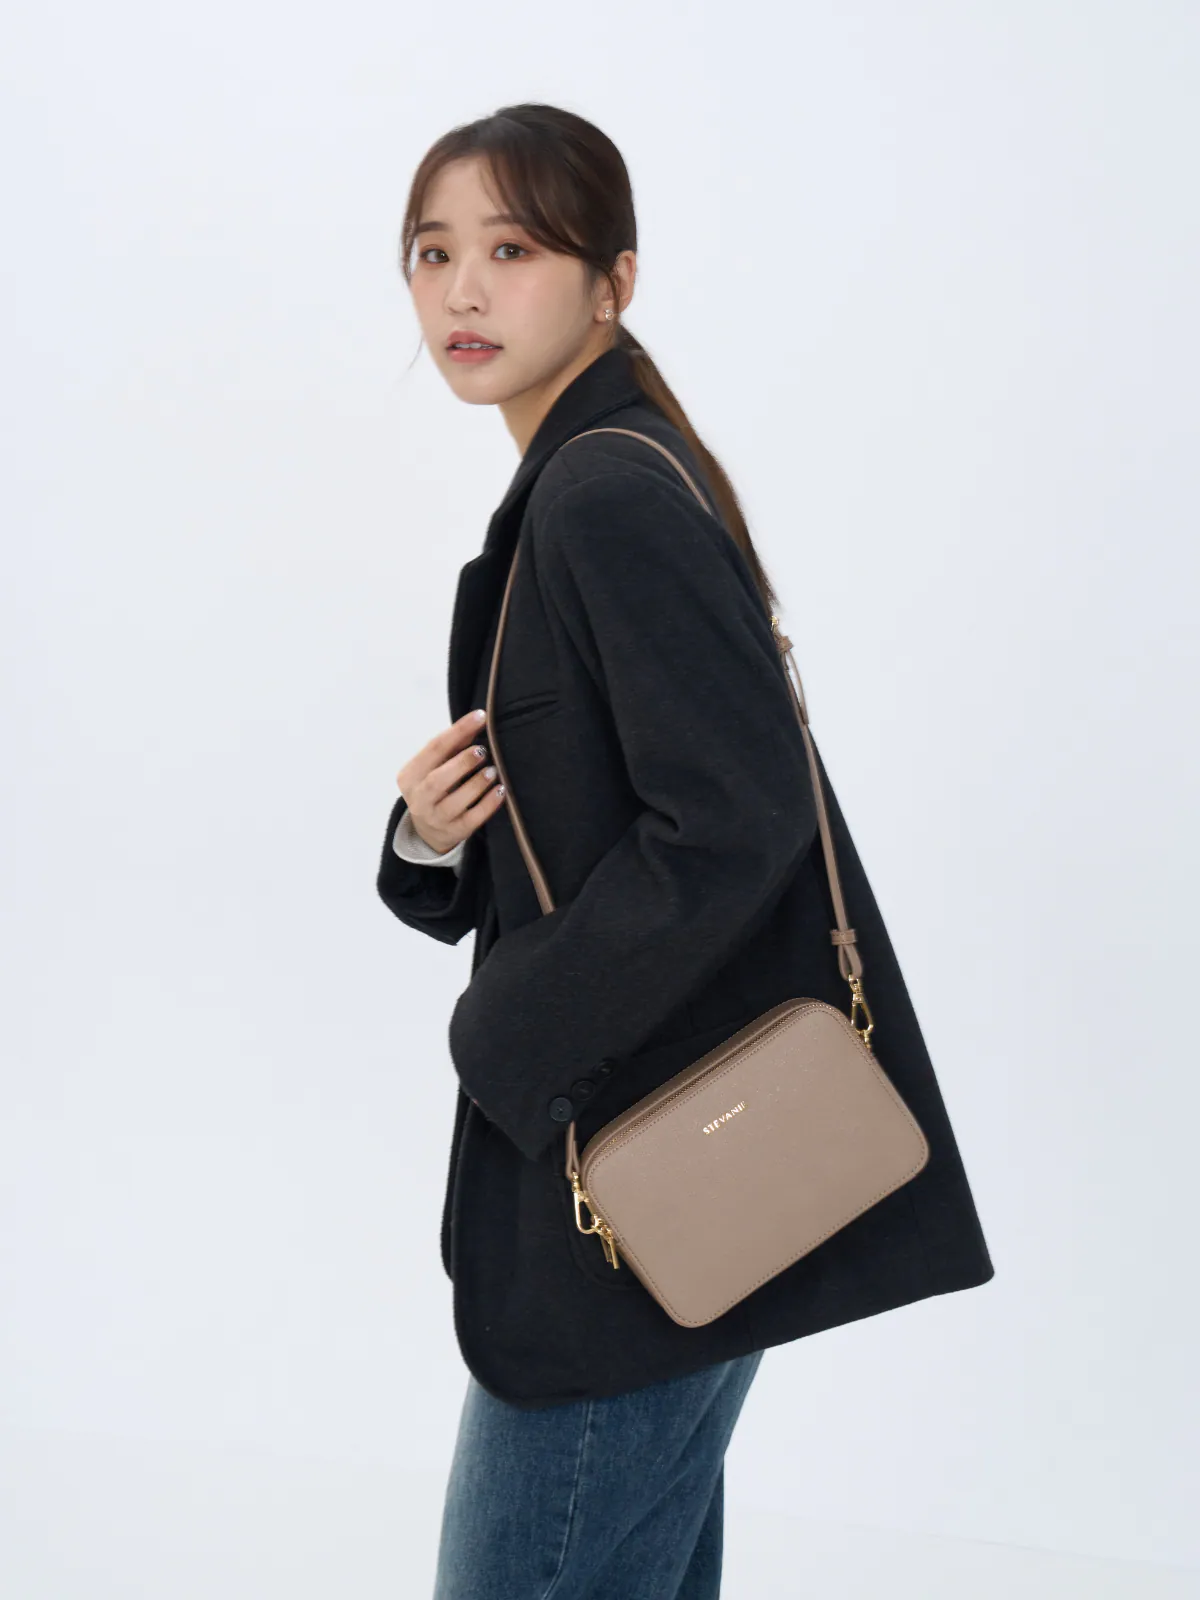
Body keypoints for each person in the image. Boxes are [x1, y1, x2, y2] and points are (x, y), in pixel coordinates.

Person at [376, 102, 995, 1600]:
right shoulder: (587, 482)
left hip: (646, 1173)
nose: (463, 290)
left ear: (615, 281)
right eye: (433, 254)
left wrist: (503, 1030)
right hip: (674, 1168)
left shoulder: (602, 492)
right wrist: (429, 840)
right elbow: (627, 820)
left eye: (513, 250)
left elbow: (732, 821)